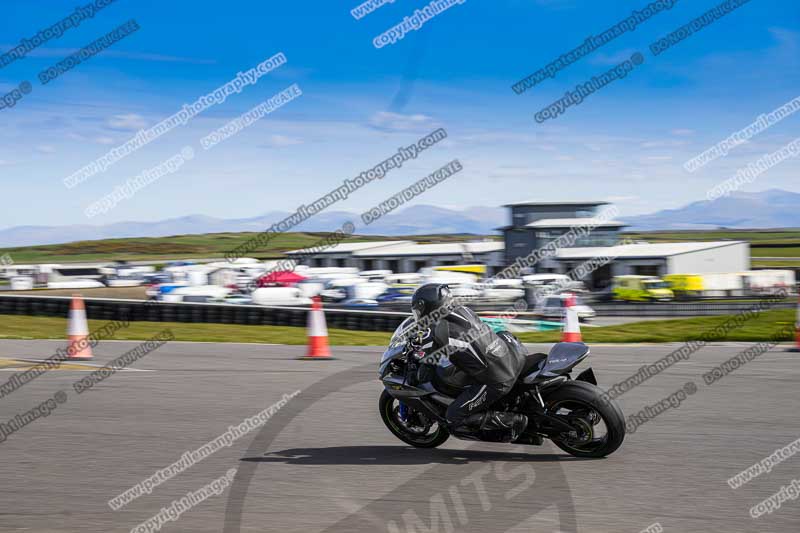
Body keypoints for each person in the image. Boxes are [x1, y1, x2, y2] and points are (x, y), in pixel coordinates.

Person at [410, 283, 528, 442]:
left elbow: (425, 373)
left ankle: (514, 421)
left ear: (427, 307)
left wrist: (417, 366)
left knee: (453, 417)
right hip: (510, 354)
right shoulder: (462, 310)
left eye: (418, 310)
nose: (418, 314)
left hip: (498, 379)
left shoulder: (439, 330)